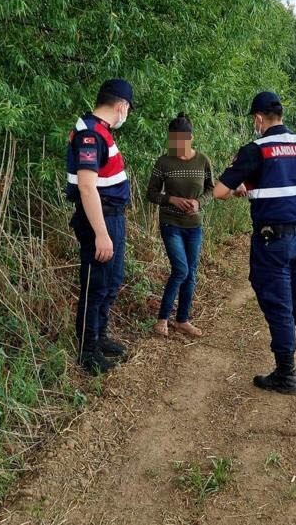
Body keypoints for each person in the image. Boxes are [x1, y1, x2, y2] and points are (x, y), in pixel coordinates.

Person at [213, 91, 296, 395]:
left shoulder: (256, 149)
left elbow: (219, 192)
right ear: (280, 114)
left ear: (258, 118)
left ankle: (285, 375)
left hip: (272, 242)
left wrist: (240, 185)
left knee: (280, 307)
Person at [65, 78, 133, 375]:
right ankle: (88, 350)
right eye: (127, 109)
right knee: (96, 284)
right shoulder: (91, 135)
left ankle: (100, 336)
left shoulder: (100, 131)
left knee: (112, 279)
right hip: (100, 220)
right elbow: (87, 188)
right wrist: (102, 234)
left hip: (112, 216)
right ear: (121, 106)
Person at [146, 112, 214, 338]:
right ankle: (162, 319)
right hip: (170, 223)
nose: (176, 145)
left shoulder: (202, 160)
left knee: (191, 272)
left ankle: (183, 320)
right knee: (181, 269)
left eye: (180, 140)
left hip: (194, 225)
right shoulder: (163, 162)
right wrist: (171, 199)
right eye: (172, 140)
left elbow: (211, 189)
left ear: (190, 138)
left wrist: (198, 202)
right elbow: (151, 193)